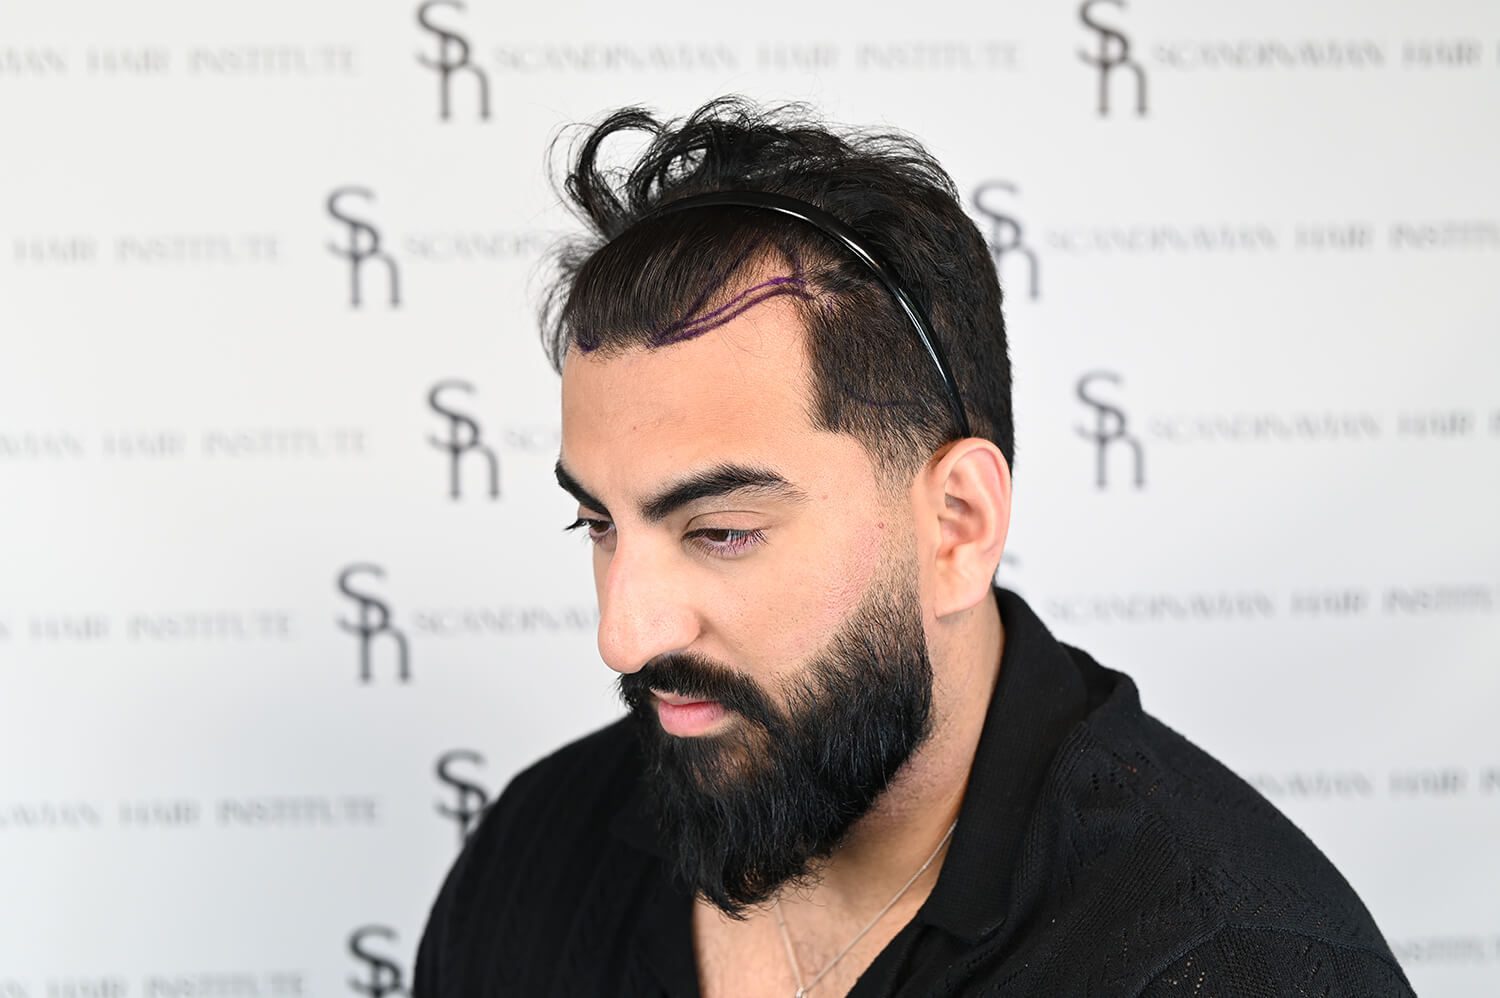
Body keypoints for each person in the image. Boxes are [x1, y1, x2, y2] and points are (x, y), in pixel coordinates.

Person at [413, 97, 1415, 997]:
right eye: (598, 524)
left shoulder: (1227, 960)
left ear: (958, 524)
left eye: (721, 531)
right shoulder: (538, 850)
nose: (624, 635)